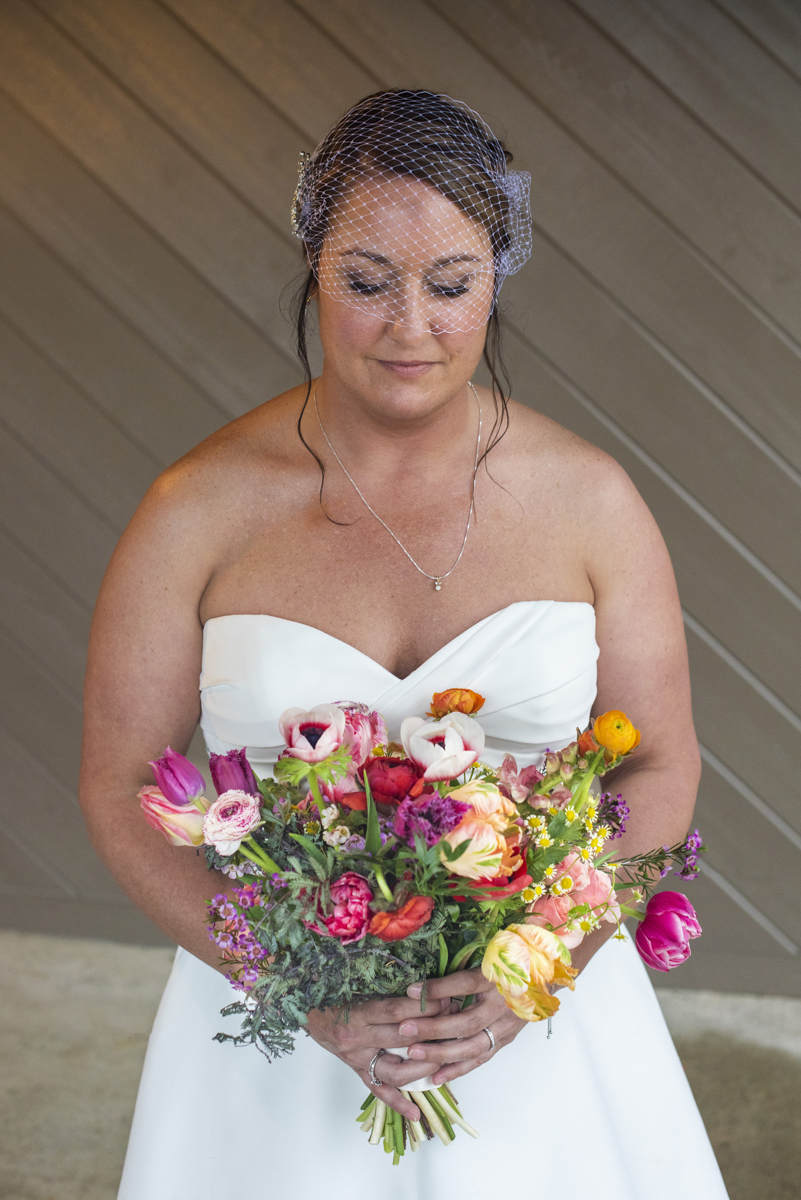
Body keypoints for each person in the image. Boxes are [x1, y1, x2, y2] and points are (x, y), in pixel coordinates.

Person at [80, 90, 728, 1198]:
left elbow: (661, 762)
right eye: (368, 280)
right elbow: (118, 786)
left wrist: (538, 969)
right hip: (272, 1042)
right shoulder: (195, 508)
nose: (410, 325)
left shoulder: (592, 502)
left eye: (451, 283)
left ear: (497, 275)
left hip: (537, 1049)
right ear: (313, 265)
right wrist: (296, 981)